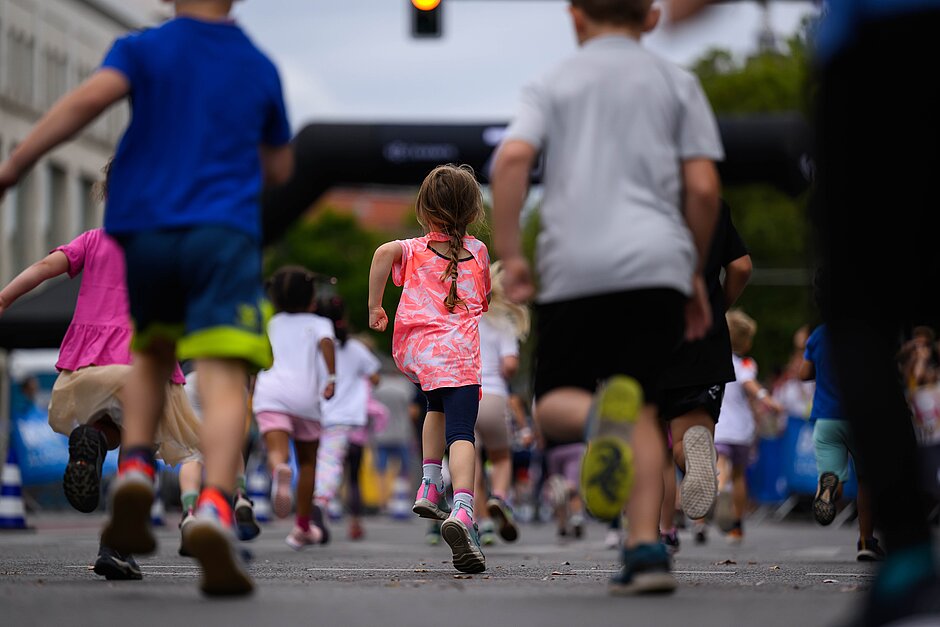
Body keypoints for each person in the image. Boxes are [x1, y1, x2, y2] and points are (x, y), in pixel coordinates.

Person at [0, 0, 294, 595]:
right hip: (222, 235)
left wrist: (15, 166)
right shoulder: (257, 64)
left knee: (152, 353)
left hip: (151, 234)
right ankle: (211, 506)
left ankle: (131, 470)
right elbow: (281, 166)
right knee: (224, 378)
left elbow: (83, 104)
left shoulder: (144, 49)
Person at [491, 0, 722, 594]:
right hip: (657, 265)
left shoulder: (553, 81)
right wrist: (694, 269)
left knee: (551, 407)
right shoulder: (678, 82)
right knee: (644, 408)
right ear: (649, 16)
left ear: (575, 17)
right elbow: (702, 187)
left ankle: (597, 420)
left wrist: (513, 253)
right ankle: (646, 549)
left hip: (576, 268)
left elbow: (513, 158)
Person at [0, 223, 201, 580]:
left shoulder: (94, 239)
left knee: (107, 425)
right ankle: (116, 547)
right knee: (137, 447)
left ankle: (92, 439)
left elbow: (46, 268)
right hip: (144, 354)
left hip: (93, 356)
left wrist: (4, 298)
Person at [369, 163, 490, 574]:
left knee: (432, 410)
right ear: (472, 212)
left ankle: (428, 482)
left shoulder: (415, 249)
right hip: (460, 356)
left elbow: (383, 252)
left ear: (424, 211)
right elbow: (482, 299)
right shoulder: (478, 252)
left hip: (424, 355)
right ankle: (463, 508)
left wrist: (375, 305)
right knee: (462, 433)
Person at [657, 200, 751, 550]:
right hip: (704, 337)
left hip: (651, 336)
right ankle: (695, 458)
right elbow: (741, 267)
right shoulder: (712, 206)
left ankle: (661, 530)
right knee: (687, 438)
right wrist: (716, 308)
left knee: (656, 445)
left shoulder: (638, 198)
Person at [252, 266, 335, 550]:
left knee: (278, 451)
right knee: (309, 461)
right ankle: (302, 525)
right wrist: (332, 377)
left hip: (270, 392)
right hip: (306, 398)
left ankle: (280, 470)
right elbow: (326, 344)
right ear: (312, 296)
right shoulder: (319, 323)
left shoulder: (270, 322)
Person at [800, 322, 883, 561]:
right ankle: (866, 541)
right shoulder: (869, 331)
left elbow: (804, 373)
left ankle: (829, 489)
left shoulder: (819, 333)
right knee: (867, 481)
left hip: (826, 419)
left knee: (831, 474)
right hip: (862, 418)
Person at [314, 297, 381, 542]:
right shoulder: (356, 348)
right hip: (354, 422)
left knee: (325, 465)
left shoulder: (316, 346)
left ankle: (322, 504)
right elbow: (375, 378)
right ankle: (355, 522)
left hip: (324, 416)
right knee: (354, 475)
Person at [711, 310, 781, 544]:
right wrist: (767, 398)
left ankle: (722, 490)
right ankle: (737, 526)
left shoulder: (715, 361)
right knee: (740, 475)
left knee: (721, 466)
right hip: (741, 430)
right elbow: (749, 384)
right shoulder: (745, 364)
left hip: (719, 426)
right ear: (745, 341)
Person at [473, 261, 530, 545]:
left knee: (469, 464)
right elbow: (509, 365)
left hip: (465, 395)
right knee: (502, 457)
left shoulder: (465, 318)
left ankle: (482, 523)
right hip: (494, 395)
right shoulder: (503, 324)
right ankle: (499, 497)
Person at [179, 369, 260, 558]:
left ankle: (189, 513)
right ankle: (240, 497)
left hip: (191, 377)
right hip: (231, 379)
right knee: (228, 447)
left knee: (192, 455)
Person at [371, 364, 419, 519]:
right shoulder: (406, 386)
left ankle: (382, 503)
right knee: (404, 470)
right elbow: (413, 412)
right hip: (402, 434)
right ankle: (402, 500)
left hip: (381, 434)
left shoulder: (379, 387)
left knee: (381, 470)